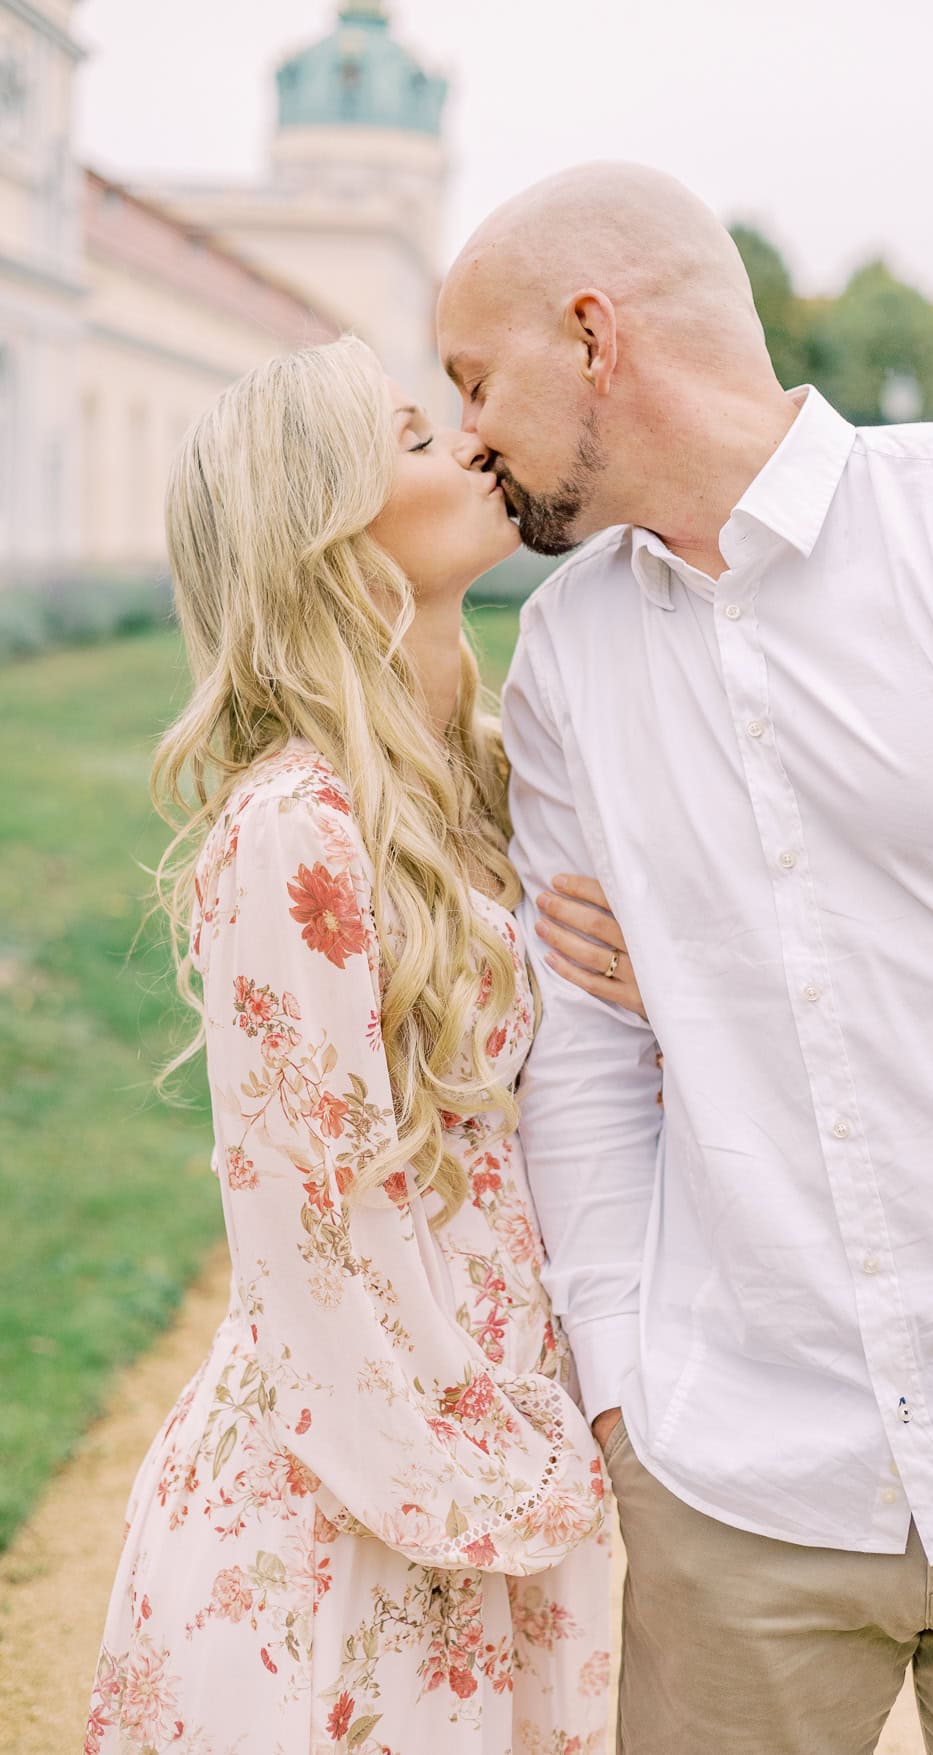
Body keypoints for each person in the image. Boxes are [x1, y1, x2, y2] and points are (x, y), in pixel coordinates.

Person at [436, 163, 933, 1755]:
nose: (469, 433)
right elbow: (579, 1063)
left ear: (592, 334)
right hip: (737, 1470)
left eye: (472, 380)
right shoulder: (565, 654)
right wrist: (628, 1392)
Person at [86, 335, 648, 1755]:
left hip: (495, 1423)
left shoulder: (473, 788)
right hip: (369, 1490)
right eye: (412, 438)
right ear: (320, 529)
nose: (468, 446)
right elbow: (309, 1225)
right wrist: (468, 1477)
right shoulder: (296, 828)